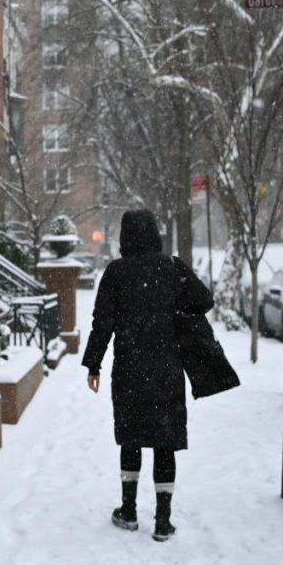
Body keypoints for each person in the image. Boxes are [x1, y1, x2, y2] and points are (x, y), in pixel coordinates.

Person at [81, 210, 213, 542]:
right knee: (164, 441)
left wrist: (93, 364)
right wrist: (178, 314)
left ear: (125, 236)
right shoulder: (172, 267)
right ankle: (163, 520)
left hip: (129, 369)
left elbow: (102, 323)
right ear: (155, 234)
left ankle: (128, 510)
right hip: (167, 369)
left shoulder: (116, 273)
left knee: (132, 437)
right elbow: (205, 300)